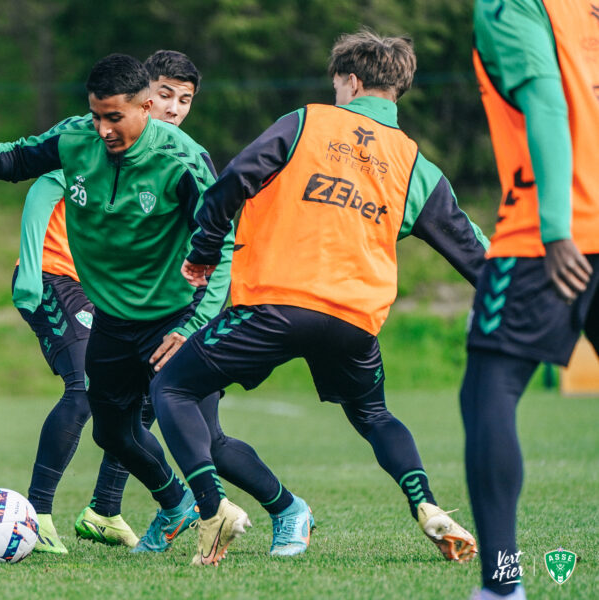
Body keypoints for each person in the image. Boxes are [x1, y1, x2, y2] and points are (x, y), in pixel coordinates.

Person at [150, 30, 487, 566]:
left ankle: (212, 511)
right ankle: (427, 506)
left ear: (350, 81)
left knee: (172, 387)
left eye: (337, 84)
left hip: (278, 304)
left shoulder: (306, 121)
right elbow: (475, 253)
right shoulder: (413, 163)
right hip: (355, 320)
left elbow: (232, 182)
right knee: (374, 414)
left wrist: (207, 247)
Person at [0, 53, 229, 556]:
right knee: (96, 403)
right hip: (71, 286)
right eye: (97, 115)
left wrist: (198, 316)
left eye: (183, 99)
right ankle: (47, 514)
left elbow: (219, 240)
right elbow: (27, 167)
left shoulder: (182, 160)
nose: (102, 129)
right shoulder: (81, 140)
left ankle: (158, 508)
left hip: (156, 309)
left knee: (171, 418)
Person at [8, 50, 206, 553]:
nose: (174, 107)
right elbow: (42, 187)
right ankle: (35, 516)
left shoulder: (166, 157)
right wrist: (30, 273)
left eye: (183, 100)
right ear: (141, 99)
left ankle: (104, 508)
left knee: (135, 400)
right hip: (53, 275)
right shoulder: (94, 143)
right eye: (164, 95)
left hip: (111, 298)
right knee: (85, 389)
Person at [464, 2, 599, 598]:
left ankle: (502, 584)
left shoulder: (513, 4)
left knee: (491, 386)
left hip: (554, 233)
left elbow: (548, 101)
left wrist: (554, 227)